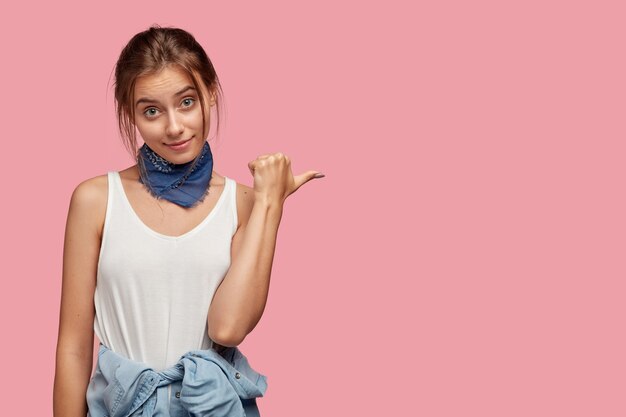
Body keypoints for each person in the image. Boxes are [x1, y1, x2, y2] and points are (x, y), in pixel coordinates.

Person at [53, 25, 323, 417]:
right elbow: (73, 348)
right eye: (151, 111)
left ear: (210, 93)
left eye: (186, 102)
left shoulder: (243, 203)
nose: (174, 127)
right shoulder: (96, 200)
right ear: (131, 114)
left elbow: (227, 328)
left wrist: (269, 203)